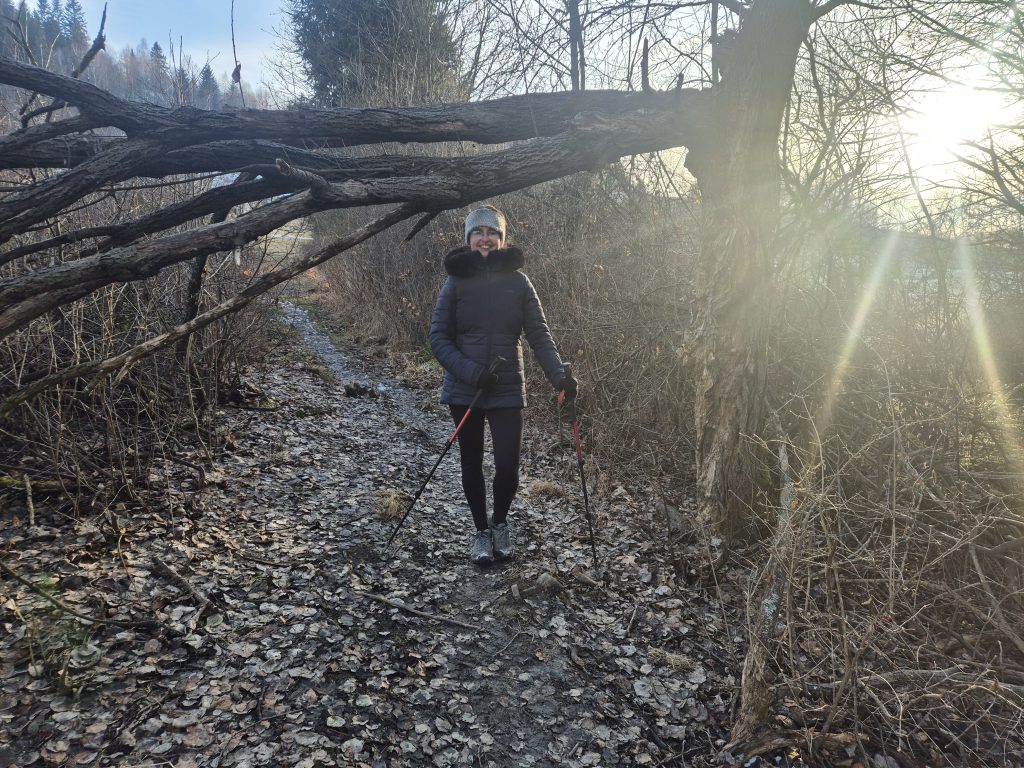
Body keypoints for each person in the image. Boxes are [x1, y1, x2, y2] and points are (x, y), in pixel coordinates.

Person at [429, 205, 577, 564]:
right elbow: (438, 338)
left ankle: (500, 523)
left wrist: (559, 375)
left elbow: (539, 335)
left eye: (492, 232)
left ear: (501, 238)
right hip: (466, 389)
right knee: (471, 462)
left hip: (508, 386)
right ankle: (481, 531)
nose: (485, 238)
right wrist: (471, 372)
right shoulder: (456, 282)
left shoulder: (519, 283)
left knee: (508, 466)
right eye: (478, 232)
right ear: (468, 238)